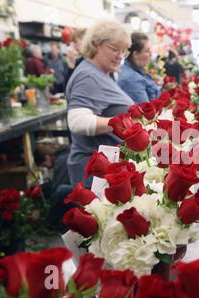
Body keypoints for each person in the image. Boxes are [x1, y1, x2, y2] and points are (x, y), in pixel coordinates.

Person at [66, 20, 134, 187]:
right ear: (96, 44)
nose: (120, 56)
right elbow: (77, 121)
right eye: (114, 49)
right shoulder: (88, 76)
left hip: (103, 168)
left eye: (124, 51)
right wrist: (121, 123)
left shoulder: (102, 73)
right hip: (93, 172)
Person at [118, 32, 160, 104]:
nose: (151, 54)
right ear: (136, 54)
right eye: (147, 51)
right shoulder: (132, 79)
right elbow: (146, 110)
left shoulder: (136, 71)